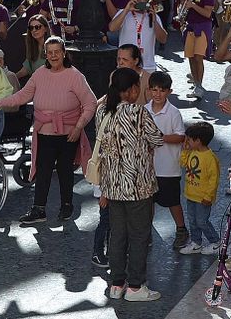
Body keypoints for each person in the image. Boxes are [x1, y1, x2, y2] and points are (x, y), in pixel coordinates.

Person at [0, 36, 97, 225]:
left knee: (66, 171)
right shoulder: (40, 73)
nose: (54, 55)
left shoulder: (75, 76)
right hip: (44, 133)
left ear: (64, 53)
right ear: (45, 55)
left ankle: (67, 205)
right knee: (43, 171)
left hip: (68, 133)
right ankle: (38, 209)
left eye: (57, 52)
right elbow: (23, 95)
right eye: (50, 53)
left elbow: (90, 103)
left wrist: (79, 126)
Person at [94, 67, 165, 301]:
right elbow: (157, 139)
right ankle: (135, 286)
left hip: (112, 185)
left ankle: (116, 284)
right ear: (133, 89)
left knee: (117, 236)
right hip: (138, 185)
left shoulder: (102, 110)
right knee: (138, 236)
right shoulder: (137, 112)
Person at [143, 70, 189, 249]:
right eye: (154, 90)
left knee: (172, 201)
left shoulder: (174, 113)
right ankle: (146, 231)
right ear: (149, 91)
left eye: (162, 91)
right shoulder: (144, 110)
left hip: (169, 167)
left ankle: (181, 229)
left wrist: (159, 137)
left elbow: (180, 136)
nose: (158, 94)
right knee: (148, 201)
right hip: (149, 166)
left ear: (169, 92)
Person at [179, 122, 220, 255]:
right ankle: (196, 242)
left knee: (202, 221)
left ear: (198, 141)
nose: (187, 142)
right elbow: (183, 163)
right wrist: (185, 150)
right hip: (191, 194)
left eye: (189, 139)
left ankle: (215, 242)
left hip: (202, 197)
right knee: (192, 220)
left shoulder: (210, 158)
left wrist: (208, 196)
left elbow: (213, 179)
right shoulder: (192, 151)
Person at [111, 0, 168, 73]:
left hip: (147, 65)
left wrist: (155, 22)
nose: (139, 0)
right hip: (126, 64)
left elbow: (163, 39)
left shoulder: (153, 16)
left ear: (146, 0)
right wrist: (126, 10)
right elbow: (112, 28)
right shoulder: (123, 13)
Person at [179, 0, 219, 92]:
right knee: (190, 57)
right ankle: (196, 82)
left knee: (198, 57)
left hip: (202, 27)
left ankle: (199, 85)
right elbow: (180, 9)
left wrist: (193, 5)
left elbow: (207, 13)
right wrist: (181, 7)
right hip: (189, 26)